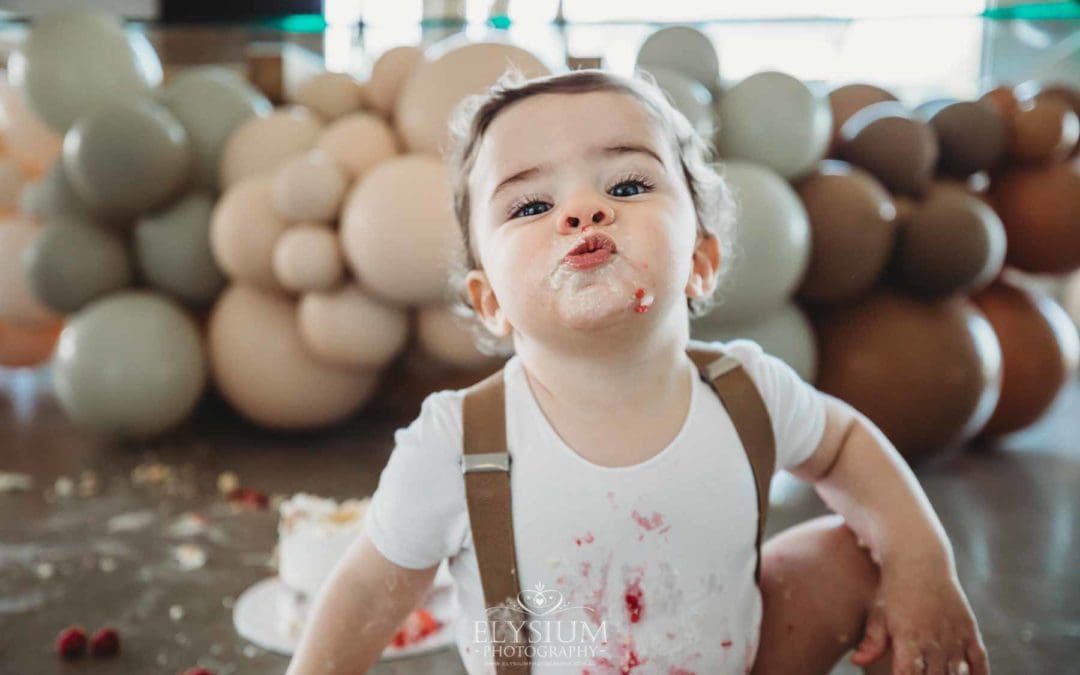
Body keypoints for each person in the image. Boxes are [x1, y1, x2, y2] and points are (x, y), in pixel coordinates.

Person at [285, 67, 988, 675]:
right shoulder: (457, 443)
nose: (583, 211)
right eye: (532, 204)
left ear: (701, 261)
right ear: (491, 300)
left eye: (626, 184)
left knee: (853, 552)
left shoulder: (745, 391)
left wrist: (925, 562)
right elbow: (368, 591)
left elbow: (844, 444)